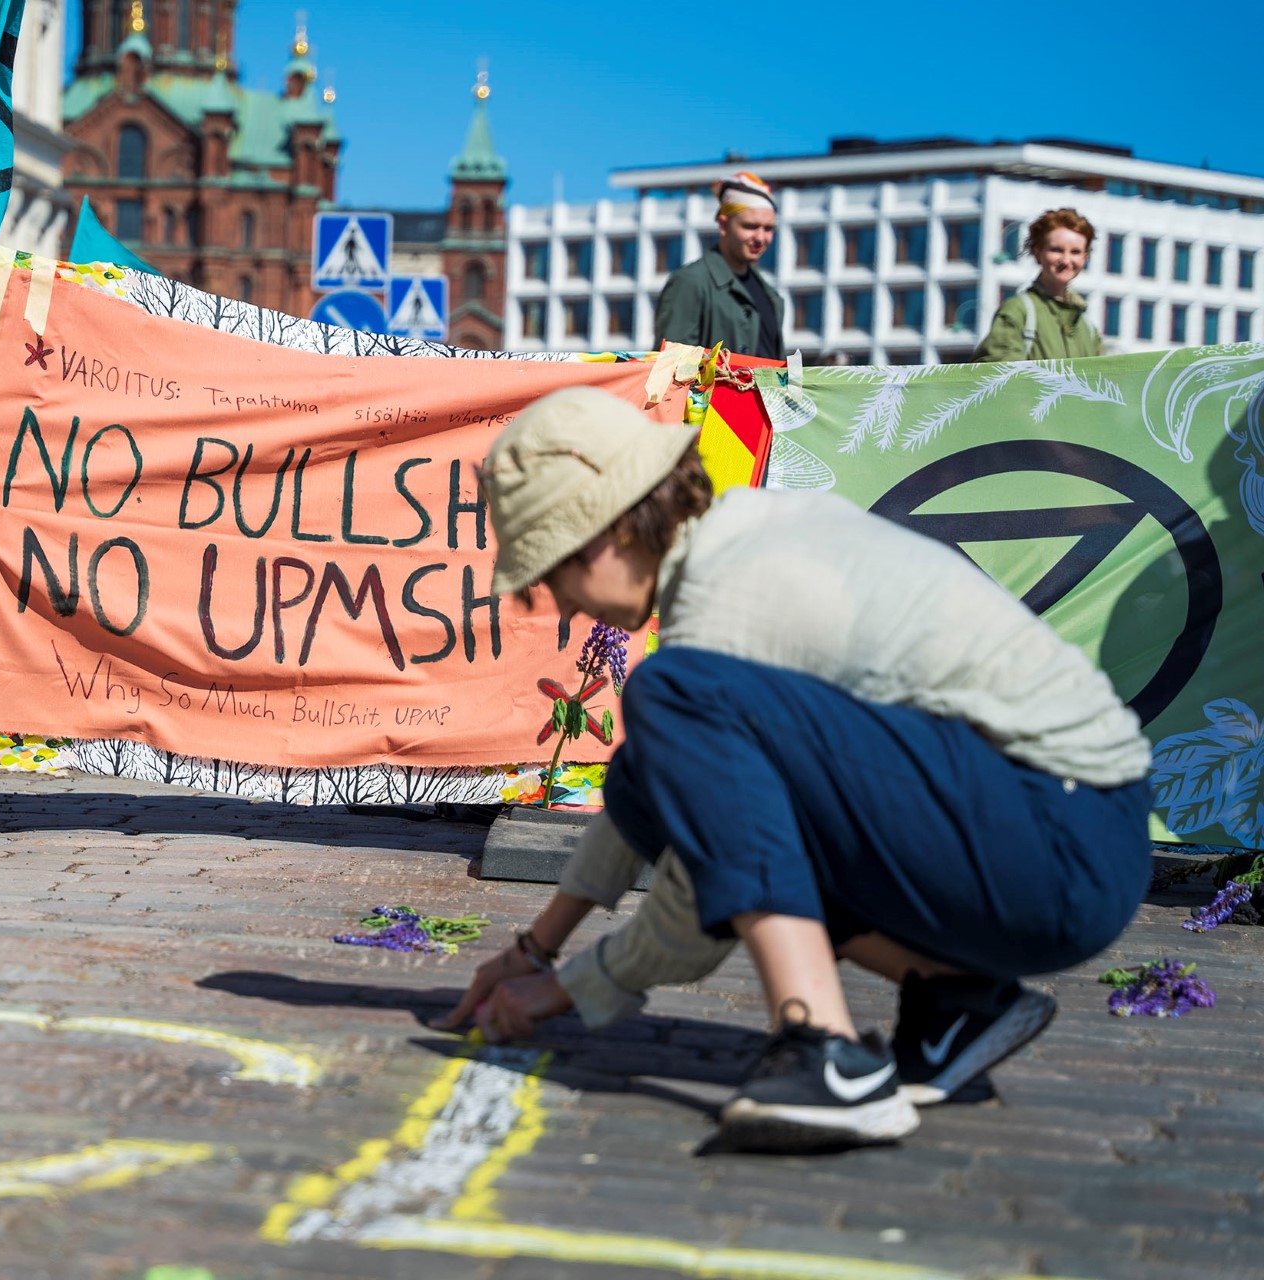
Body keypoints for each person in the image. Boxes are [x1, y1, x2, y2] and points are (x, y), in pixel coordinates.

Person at [437, 386, 1152, 1154]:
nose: (562, 605)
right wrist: (535, 947)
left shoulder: (733, 593)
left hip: (1064, 848)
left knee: (674, 704)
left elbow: (697, 891)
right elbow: (650, 801)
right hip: (1068, 833)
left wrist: (571, 988)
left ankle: (825, 1054)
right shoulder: (734, 539)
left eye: (551, 574)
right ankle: (956, 1002)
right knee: (659, 746)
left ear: (606, 535)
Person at [652, 171, 784, 360]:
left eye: (768, 228)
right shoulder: (690, 282)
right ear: (723, 225)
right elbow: (670, 370)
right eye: (750, 226)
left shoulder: (771, 295)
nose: (761, 238)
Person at [974, 209, 1104, 362]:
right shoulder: (1017, 311)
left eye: (1075, 252)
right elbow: (999, 375)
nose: (1066, 260)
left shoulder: (1088, 328)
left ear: (1085, 257)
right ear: (1037, 252)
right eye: (1057, 250)